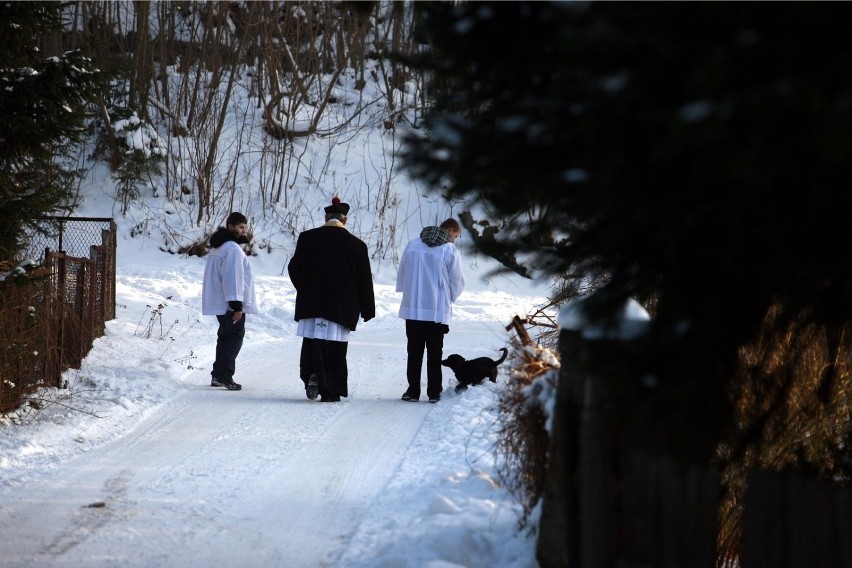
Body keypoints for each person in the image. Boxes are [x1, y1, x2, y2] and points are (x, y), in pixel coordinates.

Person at [288, 197, 376, 402]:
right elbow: (364, 280)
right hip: (341, 306)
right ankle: (331, 389)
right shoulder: (356, 245)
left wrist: (304, 288)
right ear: (344, 220)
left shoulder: (307, 238)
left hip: (311, 303)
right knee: (335, 348)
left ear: (326, 217)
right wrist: (367, 309)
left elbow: (294, 268)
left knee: (312, 343)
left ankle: (312, 374)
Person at [396, 218, 464, 403]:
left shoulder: (413, 244)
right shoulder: (449, 249)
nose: (455, 240)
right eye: (456, 236)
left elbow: (402, 271)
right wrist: (450, 298)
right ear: (450, 230)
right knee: (435, 352)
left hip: (413, 308)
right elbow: (456, 280)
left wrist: (408, 291)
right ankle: (434, 392)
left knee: (414, 351)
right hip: (436, 310)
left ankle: (413, 391)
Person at [202, 212, 257, 391]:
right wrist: (236, 305)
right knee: (234, 337)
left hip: (221, 302)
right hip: (229, 303)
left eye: (244, 228)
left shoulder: (220, 247)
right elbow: (233, 277)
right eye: (241, 227)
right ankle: (224, 375)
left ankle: (218, 375)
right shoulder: (232, 249)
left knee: (225, 337)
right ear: (231, 226)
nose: (243, 231)